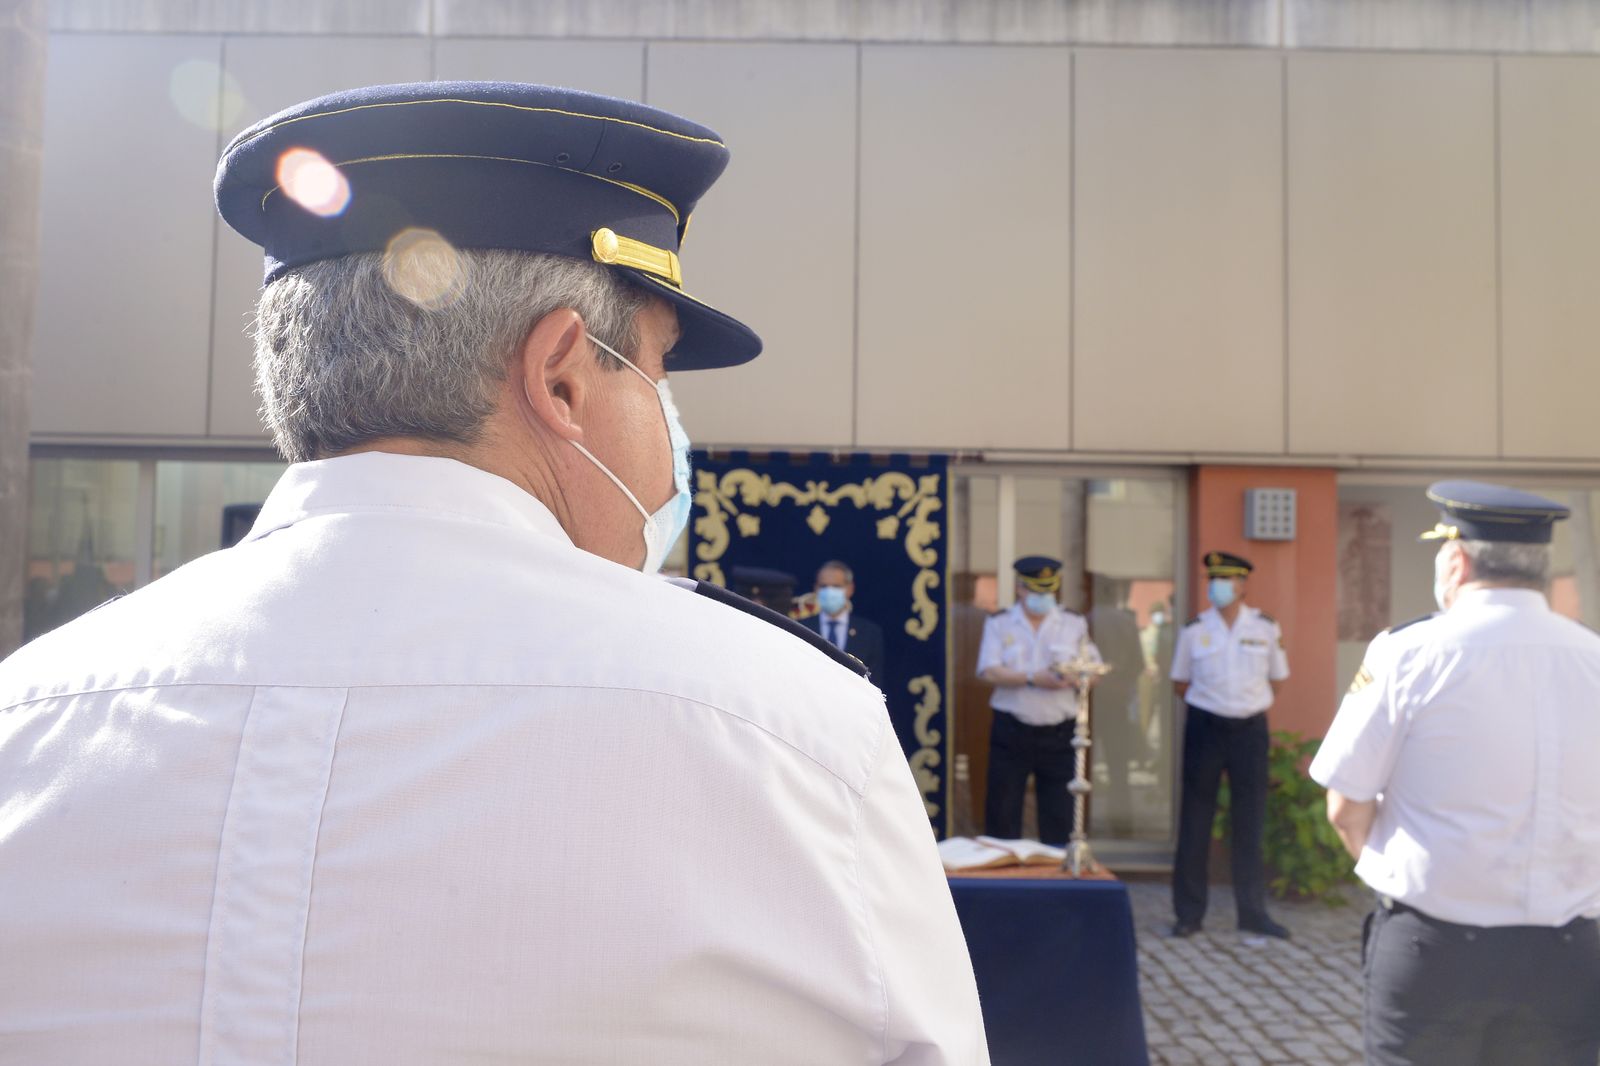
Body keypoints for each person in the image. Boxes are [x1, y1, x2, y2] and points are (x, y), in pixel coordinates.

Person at [0, 82, 987, 1065]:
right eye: (656, 371)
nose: (668, 425)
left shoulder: (26, 721)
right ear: (560, 374)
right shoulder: (795, 734)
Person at [1310, 481, 1600, 1066]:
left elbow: (1346, 807)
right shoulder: (1593, 659)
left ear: (1456, 559)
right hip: (1569, 956)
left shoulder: (1408, 653)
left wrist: (1401, 877)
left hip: (1434, 948)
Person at [1169, 550, 1291, 939]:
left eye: (1225, 580)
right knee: (1195, 821)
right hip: (1205, 727)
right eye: (1212, 580)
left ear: (1242, 585)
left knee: (1249, 821)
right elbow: (1179, 682)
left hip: (1250, 730)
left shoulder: (1266, 628)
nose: (1216, 587)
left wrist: (1244, 705)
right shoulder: (1194, 629)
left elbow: (1277, 678)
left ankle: (1252, 913)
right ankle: (1189, 914)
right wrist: (1215, 704)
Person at [975, 555, 1101, 845]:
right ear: (1020, 589)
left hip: (1059, 732)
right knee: (1002, 813)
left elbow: (1093, 669)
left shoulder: (1073, 622)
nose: (1043, 597)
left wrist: (1076, 677)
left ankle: (1055, 884)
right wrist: (1032, 678)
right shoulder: (1000, 623)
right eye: (1036, 591)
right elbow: (988, 670)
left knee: (1059, 816)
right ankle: (1002, 886)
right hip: (1012, 730)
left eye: (1048, 591)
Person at [799, 559, 886, 683]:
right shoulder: (801, 627)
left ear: (850, 589)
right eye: (824, 586)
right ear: (816, 589)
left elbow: (875, 683)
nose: (829, 592)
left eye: (836, 586)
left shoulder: (870, 633)